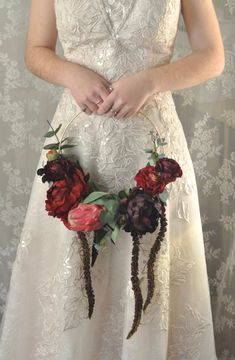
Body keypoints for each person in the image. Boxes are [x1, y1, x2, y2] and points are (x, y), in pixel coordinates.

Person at [0, 0, 224, 359]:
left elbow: (212, 55)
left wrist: (151, 81)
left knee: (149, 268)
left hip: (153, 148)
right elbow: (35, 50)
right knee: (74, 272)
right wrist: (71, 74)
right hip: (79, 148)